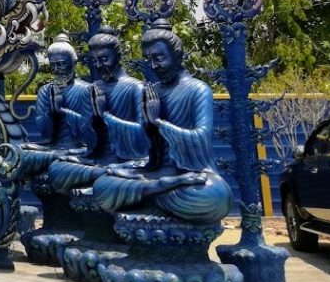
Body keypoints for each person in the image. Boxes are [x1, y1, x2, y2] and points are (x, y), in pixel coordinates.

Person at [90, 20, 232, 224]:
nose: (154, 66)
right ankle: (159, 188)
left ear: (177, 55)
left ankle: (150, 193)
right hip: (157, 172)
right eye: (149, 60)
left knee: (216, 197)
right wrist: (145, 127)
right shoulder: (151, 90)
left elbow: (201, 138)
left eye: (158, 58)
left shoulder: (198, 89)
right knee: (103, 186)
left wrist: (159, 122)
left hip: (192, 175)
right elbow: (143, 146)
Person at [47, 27, 150, 195]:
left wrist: (106, 117)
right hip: (99, 160)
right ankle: (107, 174)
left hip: (128, 160)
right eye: (94, 60)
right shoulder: (93, 89)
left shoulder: (136, 88)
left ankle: (110, 176)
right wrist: (94, 120)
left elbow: (144, 139)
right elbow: (86, 141)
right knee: (57, 168)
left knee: (129, 170)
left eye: (103, 59)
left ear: (118, 56)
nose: (98, 65)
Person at [18, 34, 90, 179]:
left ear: (73, 62)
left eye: (61, 64)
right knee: (19, 151)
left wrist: (62, 112)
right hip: (52, 148)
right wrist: (51, 113)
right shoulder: (45, 91)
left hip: (78, 149)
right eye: (53, 65)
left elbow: (90, 130)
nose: (57, 69)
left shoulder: (86, 90)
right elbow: (44, 132)